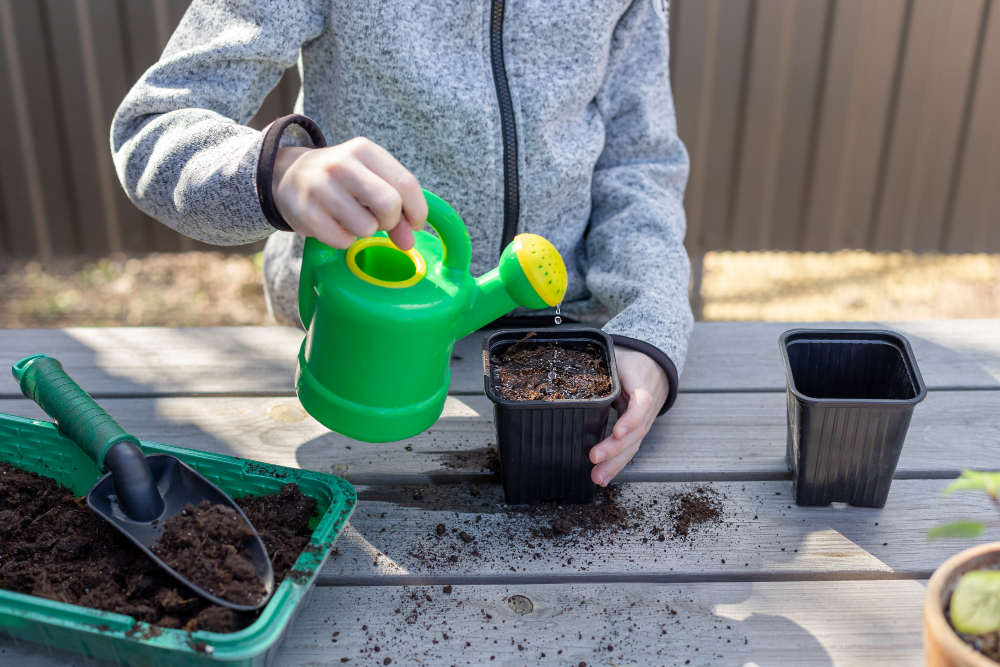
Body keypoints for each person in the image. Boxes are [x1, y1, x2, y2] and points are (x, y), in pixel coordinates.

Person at [111, 0, 693, 487]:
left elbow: (639, 163)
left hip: (566, 343)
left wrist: (651, 334)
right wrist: (278, 175)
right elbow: (153, 130)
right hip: (353, 352)